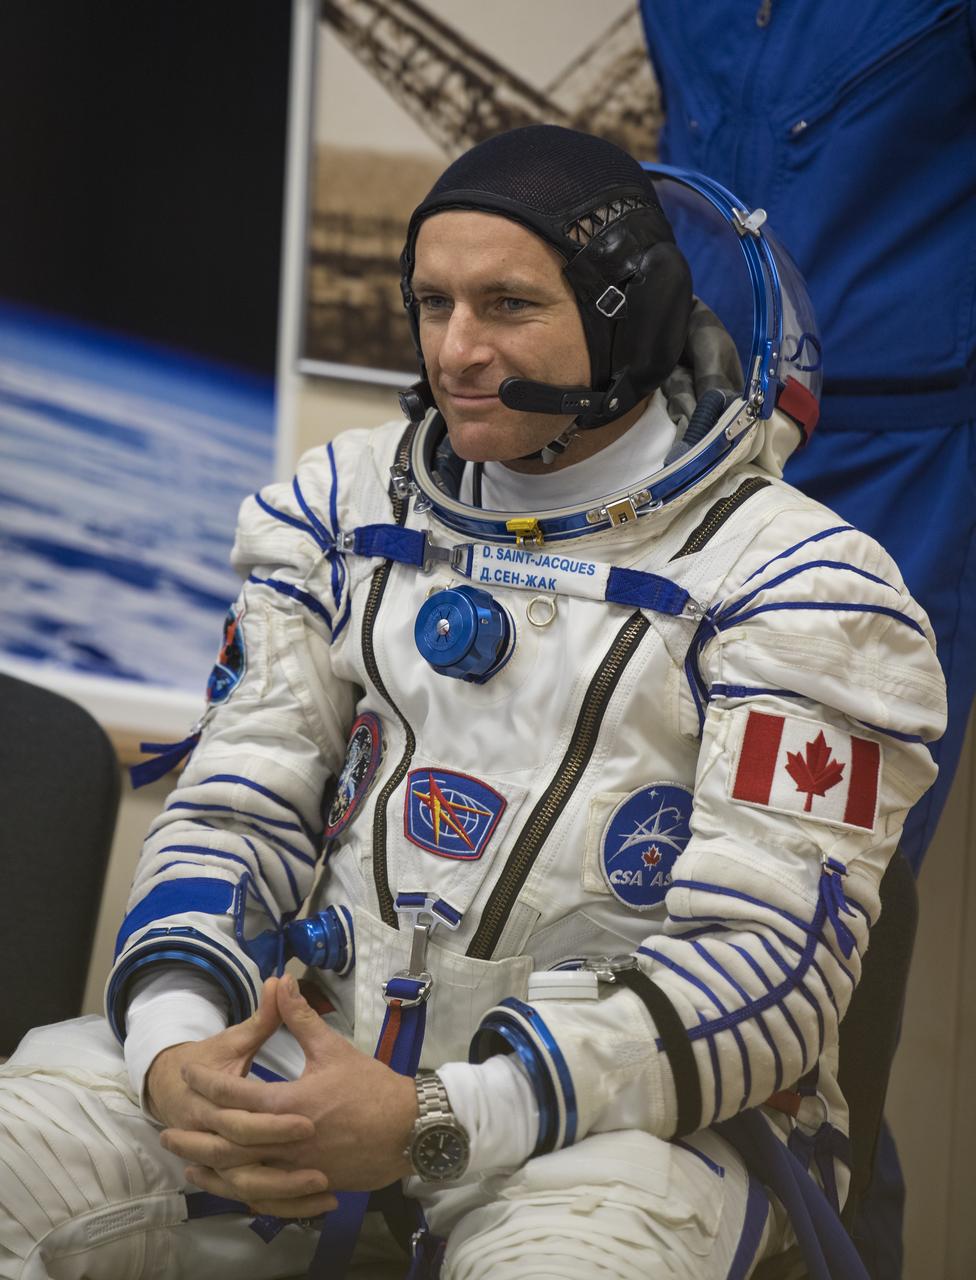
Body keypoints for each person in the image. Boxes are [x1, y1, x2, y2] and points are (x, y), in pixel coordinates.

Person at [0, 125, 947, 1280]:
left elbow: (767, 972)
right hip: (308, 1069)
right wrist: (176, 1053)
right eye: (431, 302)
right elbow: (230, 814)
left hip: (624, 1134)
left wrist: (437, 1116)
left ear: (626, 317)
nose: (456, 349)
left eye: (505, 305)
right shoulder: (343, 512)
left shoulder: (800, 591)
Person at [637, 7, 976, 1272]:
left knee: (829, 885)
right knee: (648, 844)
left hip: (895, 441)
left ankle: (834, 1241)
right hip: (689, 417)